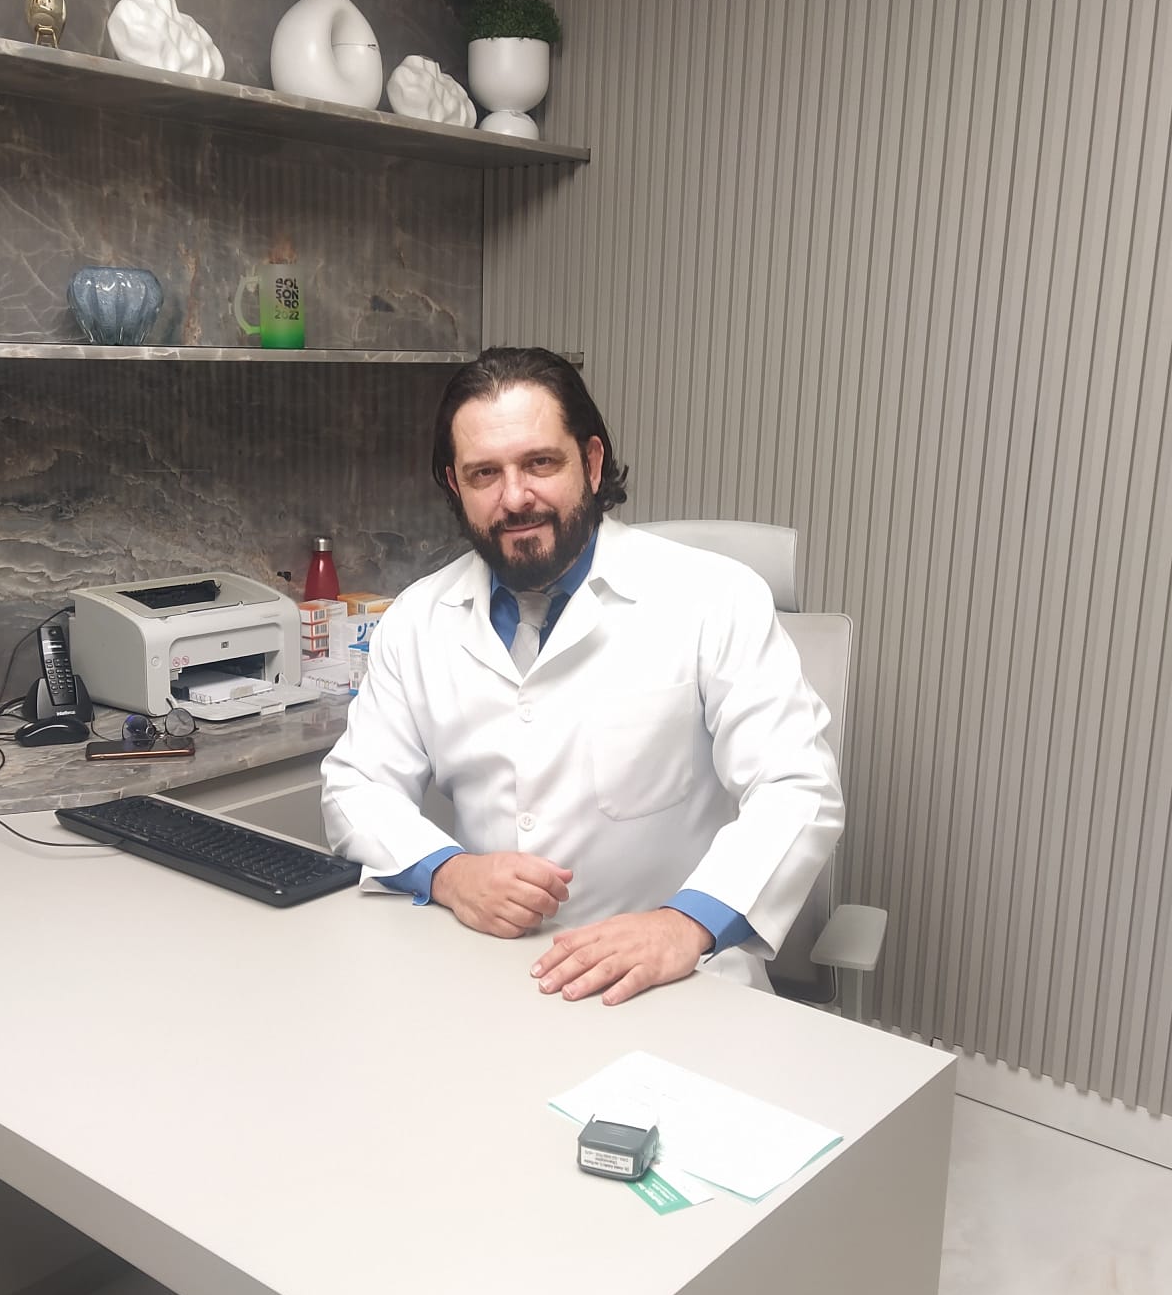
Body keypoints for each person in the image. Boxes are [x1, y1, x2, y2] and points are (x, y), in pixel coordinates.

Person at [319, 347, 843, 1003]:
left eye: (540, 463)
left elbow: (797, 786)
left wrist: (684, 924)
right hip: (488, 972)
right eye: (484, 473)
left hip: (680, 982)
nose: (515, 497)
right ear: (455, 485)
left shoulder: (714, 598)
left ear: (591, 464)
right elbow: (356, 786)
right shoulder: (418, 618)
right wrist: (448, 873)